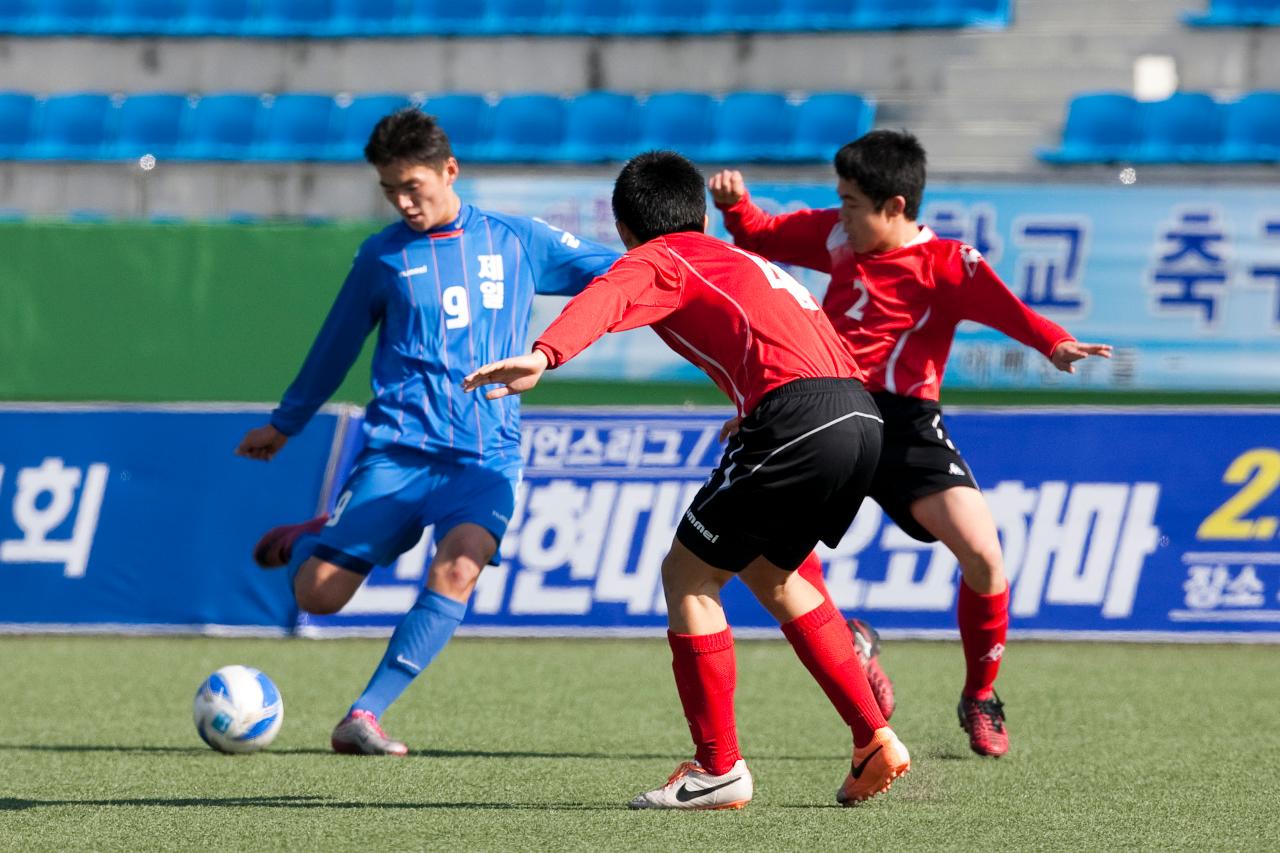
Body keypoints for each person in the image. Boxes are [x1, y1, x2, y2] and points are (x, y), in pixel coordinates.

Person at [463, 150, 908, 809]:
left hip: (797, 416)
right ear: (702, 212)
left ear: (627, 232)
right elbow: (786, 337)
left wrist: (543, 352)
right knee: (774, 575)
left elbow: (608, 295)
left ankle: (718, 767)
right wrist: (760, 410)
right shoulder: (743, 259)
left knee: (689, 576)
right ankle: (873, 738)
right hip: (859, 415)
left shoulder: (663, 255)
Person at [708, 129, 1112, 758]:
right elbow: (762, 234)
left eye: (849, 204)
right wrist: (736, 206)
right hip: (826, 408)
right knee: (778, 560)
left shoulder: (949, 263)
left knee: (984, 555)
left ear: (895, 207)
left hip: (906, 425)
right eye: (837, 201)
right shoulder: (838, 234)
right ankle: (850, 639)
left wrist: (1055, 342)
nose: (836, 215)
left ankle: (981, 694)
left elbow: (1011, 311)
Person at [235, 108, 619, 756]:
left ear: (450, 170)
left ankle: (364, 714)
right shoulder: (382, 256)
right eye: (390, 190)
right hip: (398, 452)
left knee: (460, 565)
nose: (403, 201)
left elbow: (617, 276)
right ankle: (319, 535)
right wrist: (287, 422)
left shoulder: (516, 239)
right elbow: (335, 346)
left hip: (484, 457)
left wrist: (683, 272)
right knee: (319, 595)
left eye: (413, 185)